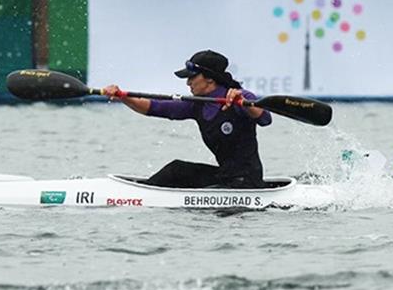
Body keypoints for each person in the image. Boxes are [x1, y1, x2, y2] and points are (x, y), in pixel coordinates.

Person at [102, 50, 272, 189]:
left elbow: (265, 118)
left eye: (192, 77)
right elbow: (155, 107)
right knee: (177, 170)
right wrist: (123, 96)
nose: (188, 83)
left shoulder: (239, 96)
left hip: (248, 182)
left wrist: (243, 103)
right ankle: (142, 192)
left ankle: (143, 195)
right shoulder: (197, 105)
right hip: (225, 176)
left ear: (210, 78)